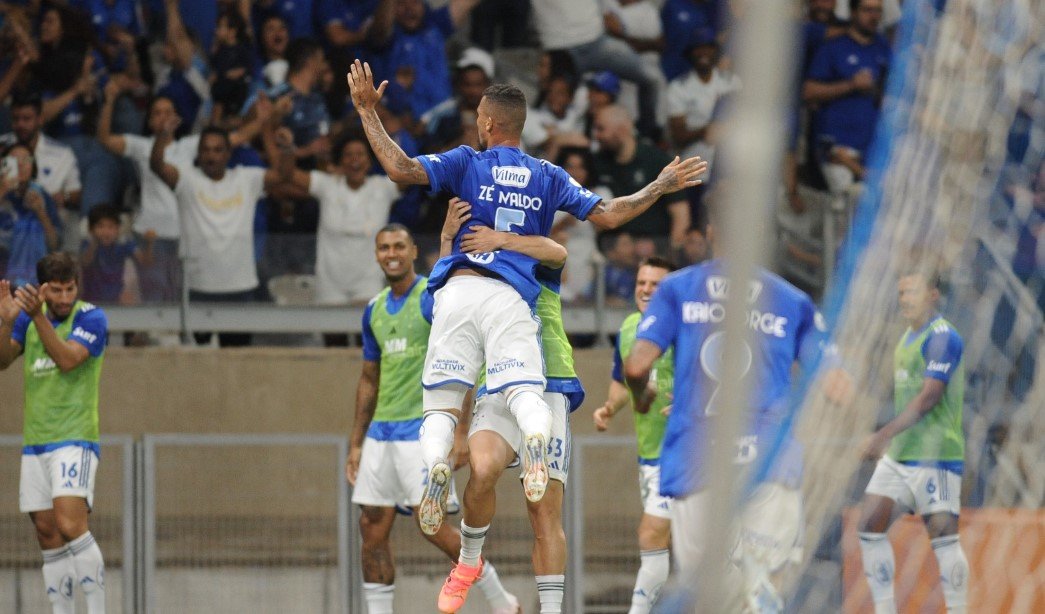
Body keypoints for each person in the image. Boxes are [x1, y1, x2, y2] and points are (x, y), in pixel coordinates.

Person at [346, 60, 706, 548]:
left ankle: (434, 469)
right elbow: (609, 214)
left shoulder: (466, 162)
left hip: (459, 293)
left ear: (489, 123)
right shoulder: (548, 174)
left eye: (478, 115)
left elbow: (399, 168)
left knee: (442, 408)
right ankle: (535, 441)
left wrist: (368, 112)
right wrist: (659, 186)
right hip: (512, 299)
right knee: (525, 395)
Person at [623, 208, 835, 611]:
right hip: (769, 458)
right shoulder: (791, 299)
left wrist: (642, 395)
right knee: (767, 582)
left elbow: (636, 366)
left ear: (708, 232)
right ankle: (760, 590)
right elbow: (837, 387)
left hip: (696, 458)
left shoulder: (679, 288)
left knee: (707, 595)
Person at [346, 221, 520, 614]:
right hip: (380, 435)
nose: (391, 254)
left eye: (398, 246)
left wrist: (461, 431)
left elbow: (464, 359)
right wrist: (356, 443)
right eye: (383, 247)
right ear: (376, 255)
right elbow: (369, 380)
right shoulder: (373, 309)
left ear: (411, 252)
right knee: (371, 528)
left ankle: (502, 602)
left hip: (422, 431)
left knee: (433, 527)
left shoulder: (431, 296)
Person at [438, 197, 579, 614]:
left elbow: (559, 252)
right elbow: (443, 297)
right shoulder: (477, 272)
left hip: (549, 381)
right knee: (482, 470)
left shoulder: (533, 255)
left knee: (544, 512)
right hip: (498, 383)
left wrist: (504, 239)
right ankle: (467, 564)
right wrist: (448, 237)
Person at [0, 253, 110, 614]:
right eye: (57, 290)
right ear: (43, 289)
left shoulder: (92, 317)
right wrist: (5, 322)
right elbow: (2, 360)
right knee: (47, 533)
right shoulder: (28, 320)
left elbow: (66, 358)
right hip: (36, 442)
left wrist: (34, 316)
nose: (64, 298)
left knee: (69, 523)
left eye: (70, 289)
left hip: (74, 436)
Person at [857, 271, 969, 614]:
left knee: (943, 540)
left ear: (933, 294)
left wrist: (881, 434)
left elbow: (929, 398)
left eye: (913, 292)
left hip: (937, 456)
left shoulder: (943, 337)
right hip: (901, 457)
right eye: (901, 292)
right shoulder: (906, 337)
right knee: (869, 527)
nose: (905, 298)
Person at [149, 120, 290, 346]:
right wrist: (161, 138)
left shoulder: (247, 178)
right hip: (197, 287)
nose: (211, 155)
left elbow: (283, 175)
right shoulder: (187, 179)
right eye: (205, 149)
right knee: (196, 363)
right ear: (198, 153)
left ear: (228, 153)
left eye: (217, 149)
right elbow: (157, 166)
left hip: (240, 287)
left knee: (236, 360)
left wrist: (287, 149)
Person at [593, 256, 675, 614]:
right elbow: (622, 383)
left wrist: (692, 401)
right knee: (666, 541)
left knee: (652, 533)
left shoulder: (687, 327)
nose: (646, 290)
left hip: (688, 450)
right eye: (642, 283)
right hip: (650, 454)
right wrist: (610, 407)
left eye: (655, 284)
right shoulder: (629, 327)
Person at [281, 134, 399, 306]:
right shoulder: (326, 185)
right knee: (331, 332)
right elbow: (287, 174)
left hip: (368, 282)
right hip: (329, 283)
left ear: (370, 160)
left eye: (360, 154)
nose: (354, 160)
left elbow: (409, 172)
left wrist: (381, 140)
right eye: (348, 155)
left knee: (365, 332)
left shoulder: (384, 187)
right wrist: (287, 149)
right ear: (340, 161)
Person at [803, 0, 891, 194]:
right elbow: (808, 91)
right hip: (838, 150)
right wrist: (851, 84)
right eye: (867, 10)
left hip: (872, 150)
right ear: (853, 12)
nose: (873, 16)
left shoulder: (883, 48)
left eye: (878, 11)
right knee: (852, 203)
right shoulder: (833, 48)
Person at [80, 205, 155, 304]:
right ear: (91, 229)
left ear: (118, 229)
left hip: (116, 299)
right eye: (100, 226)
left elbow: (146, 263)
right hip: (91, 300)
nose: (106, 232)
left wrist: (149, 243)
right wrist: (94, 243)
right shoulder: (87, 244)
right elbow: (85, 262)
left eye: (111, 227)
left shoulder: (124, 243)